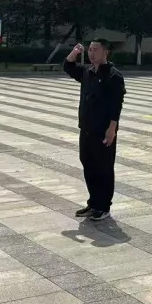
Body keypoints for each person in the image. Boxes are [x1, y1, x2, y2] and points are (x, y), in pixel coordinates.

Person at [64, 40, 126, 220]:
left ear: (106, 52)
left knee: (104, 168)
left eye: (95, 50)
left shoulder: (114, 76)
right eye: (89, 50)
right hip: (86, 129)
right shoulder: (87, 71)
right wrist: (74, 52)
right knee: (88, 164)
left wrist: (112, 129)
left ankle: (104, 206)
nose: (91, 53)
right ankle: (93, 203)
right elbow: (68, 66)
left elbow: (116, 106)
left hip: (103, 130)